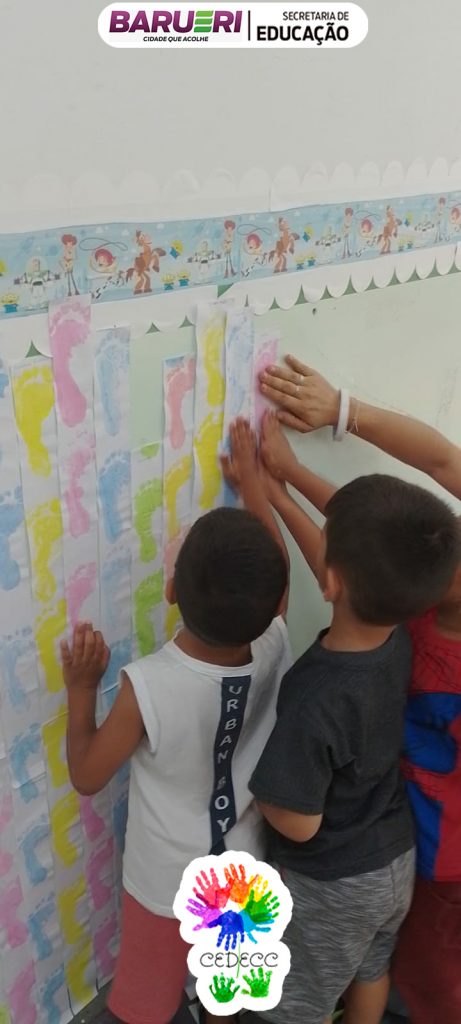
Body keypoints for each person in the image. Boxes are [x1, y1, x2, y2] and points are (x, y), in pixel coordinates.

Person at [61, 420, 291, 1024]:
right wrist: (255, 486)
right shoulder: (273, 641)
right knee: (227, 993)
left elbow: (87, 774)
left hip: (165, 884)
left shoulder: (148, 686)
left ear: (170, 590)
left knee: (145, 1004)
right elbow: (281, 583)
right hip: (243, 868)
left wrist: (81, 690)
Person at [258, 357, 461, 1024]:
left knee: (420, 982)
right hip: (398, 850)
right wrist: (286, 482)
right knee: (377, 965)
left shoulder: (319, 689)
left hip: (404, 868)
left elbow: (296, 817)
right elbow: (371, 551)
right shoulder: (402, 622)